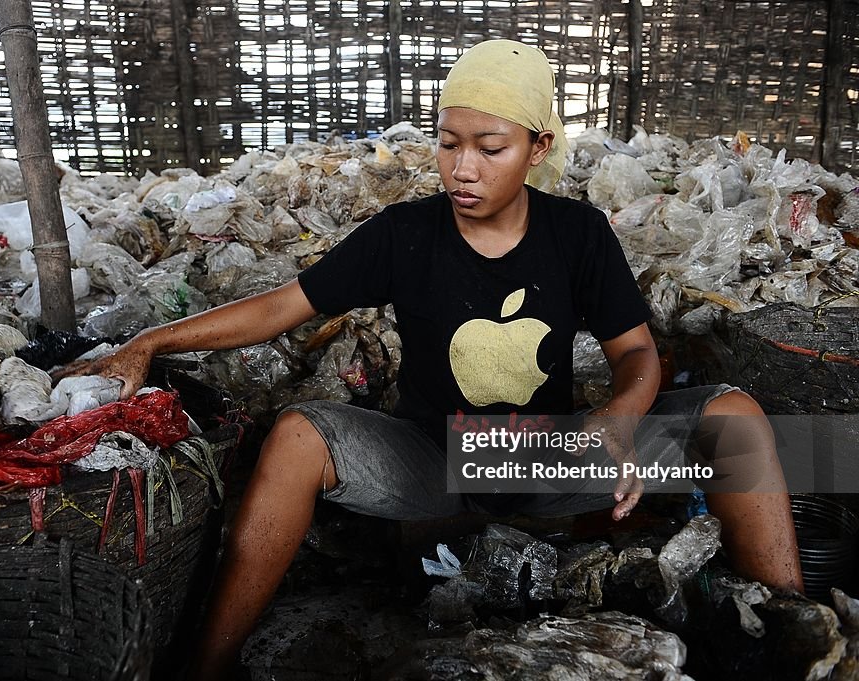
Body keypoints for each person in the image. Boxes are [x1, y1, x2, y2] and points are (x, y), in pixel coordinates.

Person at [56, 40, 803, 681]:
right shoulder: (404, 235)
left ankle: (791, 630)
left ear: (539, 148)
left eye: (490, 146)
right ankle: (205, 665)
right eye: (449, 143)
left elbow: (636, 351)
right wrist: (150, 342)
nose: (463, 167)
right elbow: (282, 306)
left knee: (734, 419)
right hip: (432, 460)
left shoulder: (577, 235)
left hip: (547, 459)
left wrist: (617, 417)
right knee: (296, 435)